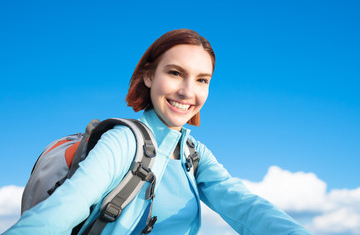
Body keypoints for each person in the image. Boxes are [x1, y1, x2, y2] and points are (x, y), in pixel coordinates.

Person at [4, 29, 312, 235]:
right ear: (149, 76)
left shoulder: (194, 153)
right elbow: (65, 208)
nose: (187, 91)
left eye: (202, 80)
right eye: (176, 73)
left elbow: (244, 206)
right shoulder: (124, 140)